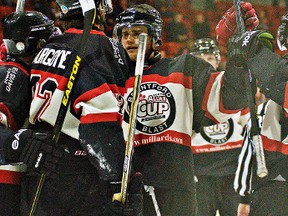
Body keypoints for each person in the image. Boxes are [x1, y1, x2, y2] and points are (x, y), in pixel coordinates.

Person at [114, 3, 259, 216]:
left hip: (173, 187)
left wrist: (236, 54)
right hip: (122, 186)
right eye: (124, 34)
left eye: (137, 33)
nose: (129, 39)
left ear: (155, 37)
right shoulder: (108, 76)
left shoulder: (183, 70)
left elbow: (231, 99)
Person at [2, 0, 142, 215]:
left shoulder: (48, 45)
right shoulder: (101, 45)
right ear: (98, 9)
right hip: (78, 171)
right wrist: (117, 180)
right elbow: (98, 118)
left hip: (39, 166)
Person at [223, 12, 288, 216]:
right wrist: (238, 59)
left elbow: (282, 85)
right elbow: (249, 150)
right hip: (271, 189)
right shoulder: (265, 109)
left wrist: (256, 53)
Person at [0, 9, 55, 216]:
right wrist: (20, 141)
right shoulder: (15, 74)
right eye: (46, 40)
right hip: (6, 172)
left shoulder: (15, 69)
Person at [190, 38, 250, 216]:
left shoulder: (233, 88)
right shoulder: (184, 91)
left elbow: (248, 128)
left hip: (233, 169)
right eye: (199, 58)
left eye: (209, 57)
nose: (204, 62)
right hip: (200, 172)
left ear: (217, 60)